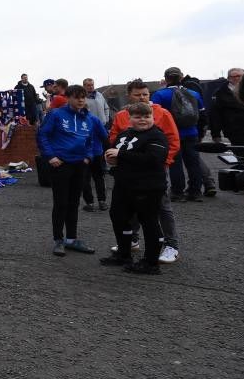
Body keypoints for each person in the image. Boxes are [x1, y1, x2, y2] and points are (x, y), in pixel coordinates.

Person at [109, 80, 181, 263]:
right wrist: (113, 157)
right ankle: (132, 240)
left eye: (145, 94)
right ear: (129, 95)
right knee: (129, 206)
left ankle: (171, 245)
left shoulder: (162, 113)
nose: (142, 97)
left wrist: (163, 162)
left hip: (152, 171)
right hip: (128, 172)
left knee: (161, 207)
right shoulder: (121, 115)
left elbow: (172, 140)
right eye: (137, 94)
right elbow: (115, 138)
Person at [100, 101, 170, 275]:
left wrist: (121, 155)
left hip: (147, 187)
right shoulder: (125, 133)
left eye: (147, 116)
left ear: (152, 117)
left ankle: (151, 262)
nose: (143, 120)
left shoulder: (157, 135)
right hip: (124, 185)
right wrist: (111, 158)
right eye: (138, 117)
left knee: (149, 222)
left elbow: (154, 159)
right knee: (118, 217)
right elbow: (115, 153)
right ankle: (124, 254)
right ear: (129, 118)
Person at [37, 84, 95, 256]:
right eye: (77, 97)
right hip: (60, 164)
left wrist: (88, 156)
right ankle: (58, 240)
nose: (80, 100)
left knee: (74, 203)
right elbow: (42, 135)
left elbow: (90, 141)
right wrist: (50, 156)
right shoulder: (56, 114)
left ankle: (71, 239)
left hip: (79, 164)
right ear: (68, 98)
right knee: (61, 203)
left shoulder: (88, 118)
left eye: (83, 97)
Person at [151, 67, 207, 203]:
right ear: (181, 77)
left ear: (166, 79)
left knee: (175, 164)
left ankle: (177, 192)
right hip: (191, 132)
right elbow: (203, 116)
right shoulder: (194, 94)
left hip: (170, 134)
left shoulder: (159, 95)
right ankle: (195, 192)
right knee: (193, 163)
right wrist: (200, 134)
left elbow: (155, 118)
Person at [210, 68, 244, 145]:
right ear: (229, 78)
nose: (241, 78)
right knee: (243, 154)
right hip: (236, 131)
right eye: (238, 76)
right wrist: (215, 134)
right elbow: (215, 115)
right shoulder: (220, 93)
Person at [81, 103, 110, 212]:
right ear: (88, 108)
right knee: (99, 177)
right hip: (97, 152)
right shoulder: (94, 118)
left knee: (85, 179)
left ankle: (90, 203)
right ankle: (102, 202)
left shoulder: (74, 119)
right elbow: (104, 135)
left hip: (82, 154)